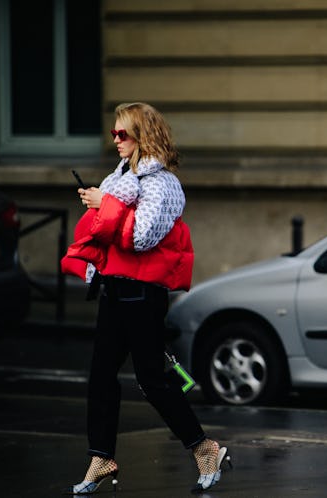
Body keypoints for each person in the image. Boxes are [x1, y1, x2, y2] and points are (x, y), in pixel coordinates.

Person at [60, 102, 231, 494]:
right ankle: (101, 456)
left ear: (144, 136)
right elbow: (103, 230)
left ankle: (205, 449)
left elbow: (142, 237)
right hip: (114, 288)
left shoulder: (162, 184)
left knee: (152, 379)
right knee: (101, 376)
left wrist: (106, 206)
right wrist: (101, 206)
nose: (115, 140)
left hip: (143, 294)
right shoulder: (119, 177)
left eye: (123, 133)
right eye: (114, 133)